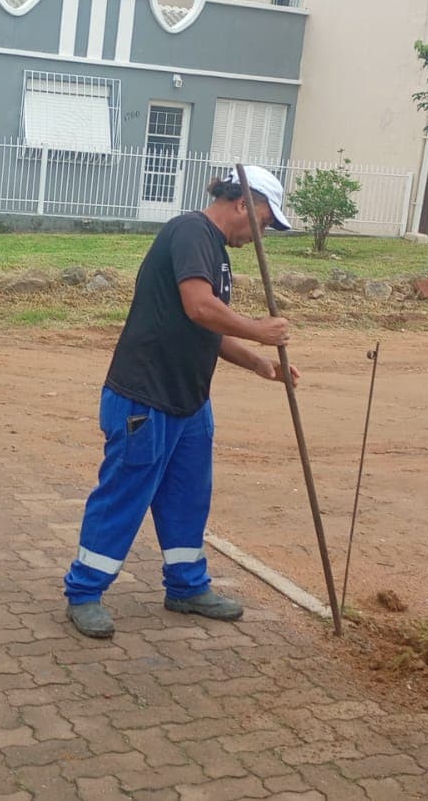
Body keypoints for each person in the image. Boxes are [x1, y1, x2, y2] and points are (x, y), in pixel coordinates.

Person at [62, 166, 299, 639]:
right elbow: (200, 306)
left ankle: (187, 586)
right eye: (265, 222)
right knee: (124, 495)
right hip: (145, 397)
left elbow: (206, 328)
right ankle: (84, 592)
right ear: (244, 205)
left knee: (188, 497)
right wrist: (259, 330)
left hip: (189, 400)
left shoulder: (215, 251)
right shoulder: (191, 232)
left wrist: (259, 364)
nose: (262, 235)